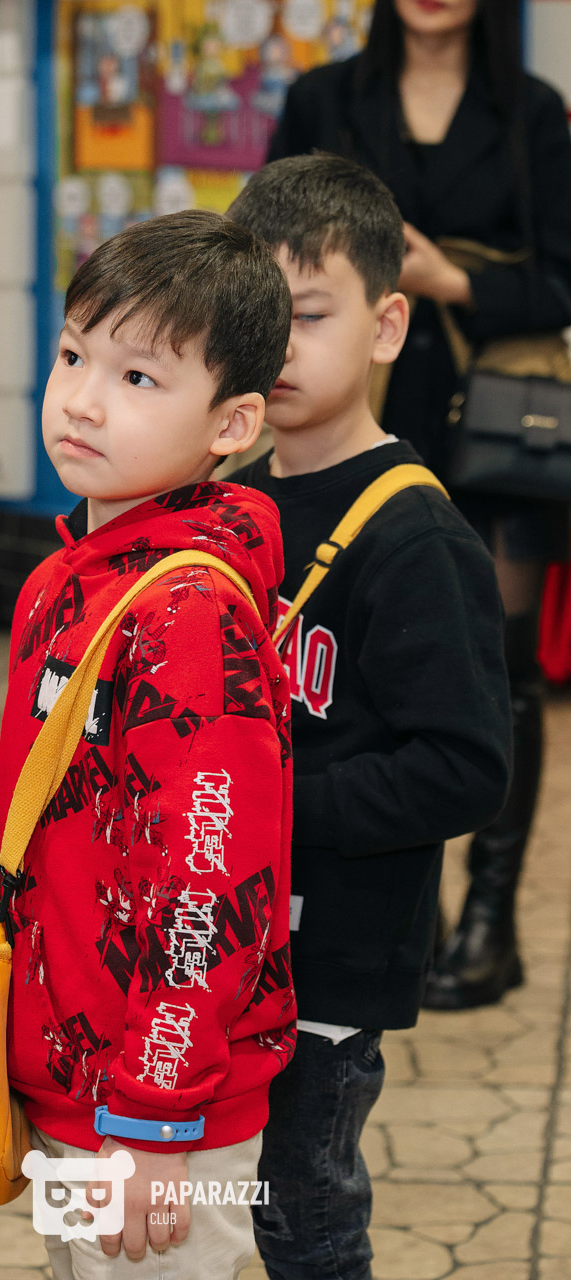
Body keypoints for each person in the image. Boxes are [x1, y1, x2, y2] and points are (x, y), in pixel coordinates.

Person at [0, 209, 296, 1279]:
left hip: (159, 1109)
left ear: (233, 423)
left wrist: (154, 1121)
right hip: (77, 1075)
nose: (81, 398)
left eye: (137, 378)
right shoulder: (73, 570)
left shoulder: (187, 614)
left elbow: (207, 885)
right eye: (73, 354)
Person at [226, 153, 511, 1280]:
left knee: (302, 1216)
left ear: (387, 325)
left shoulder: (417, 536)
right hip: (222, 939)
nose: (277, 346)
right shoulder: (226, 502)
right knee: (207, 1199)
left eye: (307, 316)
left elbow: (463, 767)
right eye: (257, 317)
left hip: (331, 963)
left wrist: (270, 804)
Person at [265, 0, 571, 1010]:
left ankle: (489, 918)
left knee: (500, 674)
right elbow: (254, 263)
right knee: (356, 666)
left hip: (496, 431)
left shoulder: (532, 111)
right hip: (358, 422)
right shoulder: (323, 99)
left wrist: (449, 281)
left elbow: (561, 281)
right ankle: (413, 906)